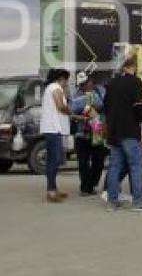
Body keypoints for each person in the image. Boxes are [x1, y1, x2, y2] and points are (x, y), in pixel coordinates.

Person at [104, 58, 142, 211]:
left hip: (114, 131)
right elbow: (138, 107)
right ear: (134, 67)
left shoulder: (111, 83)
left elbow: (106, 107)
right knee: (135, 166)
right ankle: (137, 201)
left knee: (114, 167)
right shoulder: (135, 82)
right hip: (130, 130)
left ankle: (112, 202)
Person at [71, 73, 107, 196]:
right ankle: (85, 188)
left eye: (85, 83)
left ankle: (92, 184)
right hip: (82, 133)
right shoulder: (76, 95)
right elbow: (74, 109)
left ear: (91, 81)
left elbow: (103, 105)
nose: (83, 86)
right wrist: (88, 106)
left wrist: (90, 104)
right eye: (81, 84)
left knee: (99, 160)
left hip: (97, 129)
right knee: (83, 162)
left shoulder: (101, 90)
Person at [40, 68, 72, 203]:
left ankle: (53, 188)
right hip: (54, 129)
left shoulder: (50, 88)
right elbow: (60, 105)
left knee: (53, 160)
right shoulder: (55, 87)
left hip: (51, 128)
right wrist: (69, 110)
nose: (66, 83)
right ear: (61, 78)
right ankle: (51, 191)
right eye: (66, 80)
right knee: (55, 159)